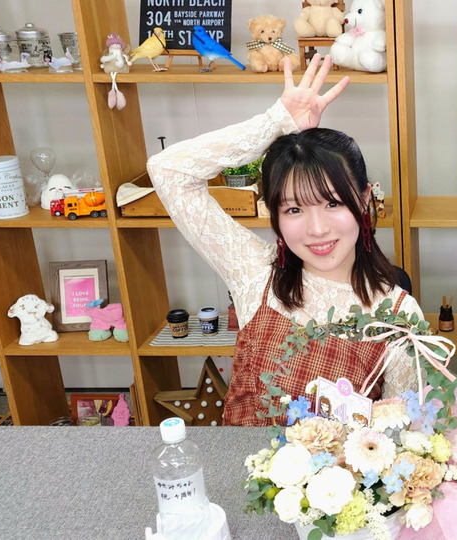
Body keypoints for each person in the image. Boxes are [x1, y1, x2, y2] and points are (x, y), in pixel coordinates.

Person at [147, 55, 422, 426]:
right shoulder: (255, 273)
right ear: (273, 214)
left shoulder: (399, 314)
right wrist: (275, 123)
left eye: (332, 203)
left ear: (362, 199)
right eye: (294, 209)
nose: (317, 229)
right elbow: (167, 170)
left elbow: (400, 436)